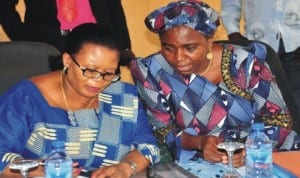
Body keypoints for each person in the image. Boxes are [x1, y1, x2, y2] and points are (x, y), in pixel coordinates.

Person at [130, 0, 300, 168]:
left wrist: (250, 150)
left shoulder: (245, 64)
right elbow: (163, 131)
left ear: (209, 42)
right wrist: (200, 143)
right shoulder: (151, 71)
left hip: (266, 154)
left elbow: (279, 120)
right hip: (203, 163)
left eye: (190, 48)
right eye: (168, 48)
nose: (178, 58)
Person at [0, 23, 160, 178]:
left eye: (109, 73)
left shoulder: (124, 96)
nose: (98, 80)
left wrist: (125, 168)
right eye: (90, 70)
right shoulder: (27, 97)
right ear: (67, 60)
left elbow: (147, 148)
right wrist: (41, 169)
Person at [0, 0, 134, 69]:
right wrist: (23, 37)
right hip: (50, 45)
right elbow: (4, 6)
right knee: (53, 105)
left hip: (98, 41)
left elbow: (114, 7)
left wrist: (123, 46)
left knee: (102, 103)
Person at [221, 0, 300, 112]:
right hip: (259, 43)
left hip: (296, 45)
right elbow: (230, 3)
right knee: (263, 102)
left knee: (297, 100)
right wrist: (233, 33)